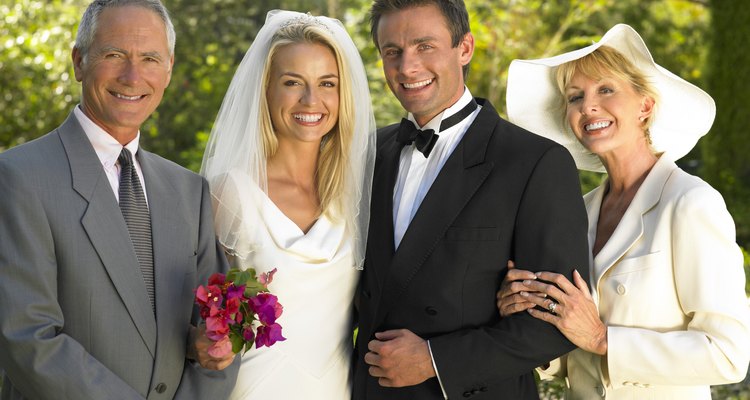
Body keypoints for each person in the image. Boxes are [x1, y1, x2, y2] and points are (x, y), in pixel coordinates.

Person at [352, 0, 591, 399]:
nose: (407, 67)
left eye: (424, 46)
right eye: (392, 51)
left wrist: (434, 360)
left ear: (464, 48)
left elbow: (555, 324)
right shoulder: (369, 153)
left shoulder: (535, 163)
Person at [0, 1, 239, 399]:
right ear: (79, 62)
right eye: (114, 55)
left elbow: (219, 333)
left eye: (150, 58)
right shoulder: (18, 177)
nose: (132, 76)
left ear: (168, 69)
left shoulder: (188, 190)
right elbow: (27, 338)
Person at [500, 23, 750, 399]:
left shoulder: (690, 203)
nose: (588, 106)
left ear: (645, 106)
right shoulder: (577, 213)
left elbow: (729, 354)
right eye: (574, 97)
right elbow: (569, 355)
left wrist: (603, 339)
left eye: (605, 89)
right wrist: (525, 313)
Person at [200, 10, 376, 399]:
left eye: (327, 83)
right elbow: (189, 312)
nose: (311, 100)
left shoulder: (356, 194)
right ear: (265, 90)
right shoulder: (229, 194)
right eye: (292, 82)